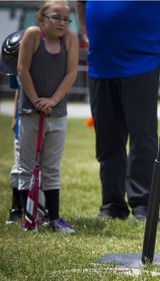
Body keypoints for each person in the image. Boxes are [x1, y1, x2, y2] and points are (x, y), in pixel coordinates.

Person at [75, 1, 160, 221]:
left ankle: (143, 205)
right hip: (101, 65)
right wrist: (85, 32)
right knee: (107, 139)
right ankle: (112, 206)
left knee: (143, 137)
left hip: (142, 62)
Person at [17, 0, 79, 233]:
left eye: (66, 19)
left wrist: (52, 101)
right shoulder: (33, 35)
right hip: (32, 112)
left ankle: (54, 219)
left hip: (56, 112)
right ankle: (29, 217)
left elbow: (71, 73)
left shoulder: (70, 38)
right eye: (57, 17)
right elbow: (22, 70)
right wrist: (36, 102)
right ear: (42, 19)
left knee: (51, 167)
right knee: (26, 166)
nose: (62, 23)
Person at [0, 30, 24, 224]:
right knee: (19, 167)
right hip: (22, 124)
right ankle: (16, 208)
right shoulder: (16, 69)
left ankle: (39, 207)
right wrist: (15, 116)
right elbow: (18, 91)